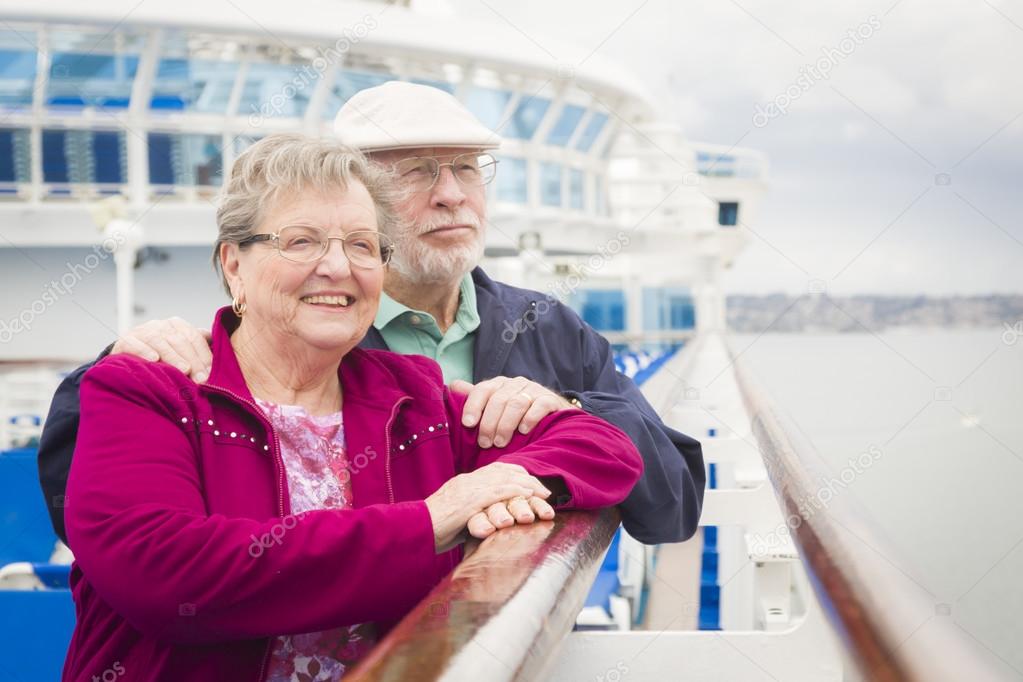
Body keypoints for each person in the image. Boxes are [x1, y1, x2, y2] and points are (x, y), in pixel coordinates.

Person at [61, 135, 643, 681]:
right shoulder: (146, 391)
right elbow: (168, 579)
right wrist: (432, 521)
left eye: (362, 246)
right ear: (233, 264)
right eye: (301, 241)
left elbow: (606, 450)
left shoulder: (413, 399)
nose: (338, 267)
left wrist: (502, 481)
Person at [38, 81, 703, 547]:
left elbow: (671, 509)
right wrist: (120, 360)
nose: (451, 196)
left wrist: (561, 407)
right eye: (416, 172)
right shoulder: (279, 333)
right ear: (351, 196)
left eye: (467, 169)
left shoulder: (546, 328)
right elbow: (91, 516)